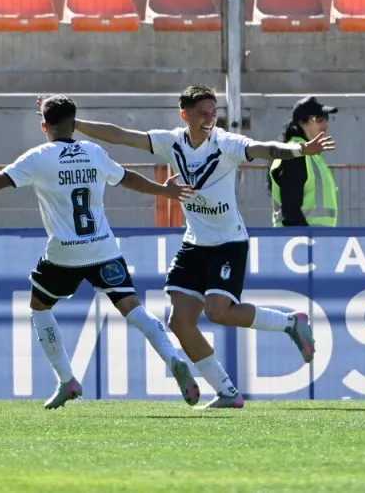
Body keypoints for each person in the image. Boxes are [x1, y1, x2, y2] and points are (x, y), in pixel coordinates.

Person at [0, 94, 203, 410]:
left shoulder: (38, 157)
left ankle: (67, 380)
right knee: (133, 307)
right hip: (104, 247)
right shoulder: (94, 152)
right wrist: (164, 190)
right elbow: (127, 178)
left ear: (43, 126)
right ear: (75, 123)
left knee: (39, 306)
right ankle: (173, 358)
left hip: (65, 253)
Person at [72, 85, 333, 409]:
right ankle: (227, 391)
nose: (209, 119)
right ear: (185, 115)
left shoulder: (225, 143)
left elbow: (263, 148)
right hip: (194, 243)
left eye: (214, 113)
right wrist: (76, 124)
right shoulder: (172, 142)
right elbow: (122, 135)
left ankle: (291, 324)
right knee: (179, 321)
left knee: (218, 311)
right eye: (202, 114)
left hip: (228, 242)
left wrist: (298, 151)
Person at [268, 96, 339, 228]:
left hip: (314, 239)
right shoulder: (294, 154)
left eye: (326, 119)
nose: (325, 125)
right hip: (301, 241)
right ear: (302, 123)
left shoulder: (310, 156)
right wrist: (306, 240)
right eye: (319, 120)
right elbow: (290, 210)